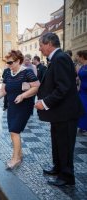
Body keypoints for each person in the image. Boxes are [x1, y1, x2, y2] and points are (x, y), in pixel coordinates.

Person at [35, 32, 84, 186]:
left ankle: (67, 176)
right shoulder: (57, 58)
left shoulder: (61, 58)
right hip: (59, 113)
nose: (39, 48)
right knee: (57, 142)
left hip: (66, 112)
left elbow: (63, 87)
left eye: (41, 45)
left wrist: (45, 103)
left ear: (49, 44)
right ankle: (58, 168)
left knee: (65, 145)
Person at [0, 50, 40, 169]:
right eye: (7, 62)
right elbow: (3, 91)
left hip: (24, 106)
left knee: (14, 131)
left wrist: (23, 95)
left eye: (11, 62)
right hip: (12, 106)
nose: (8, 65)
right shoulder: (8, 73)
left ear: (18, 61)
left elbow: (37, 87)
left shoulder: (27, 72)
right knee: (14, 131)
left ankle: (15, 158)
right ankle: (20, 154)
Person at [75, 50, 87, 135]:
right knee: (82, 107)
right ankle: (82, 126)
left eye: (78, 56)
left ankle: (84, 127)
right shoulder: (82, 66)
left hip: (86, 90)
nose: (76, 57)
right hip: (82, 90)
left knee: (85, 107)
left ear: (82, 56)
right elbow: (79, 78)